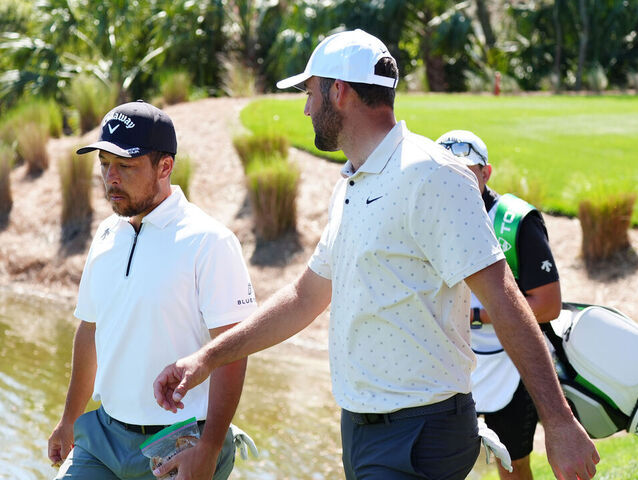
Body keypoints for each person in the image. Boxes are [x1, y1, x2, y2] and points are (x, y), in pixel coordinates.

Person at [152, 29, 599, 480]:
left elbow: (503, 297)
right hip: (364, 428)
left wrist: (559, 422)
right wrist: (207, 358)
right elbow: (304, 297)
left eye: (310, 93)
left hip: (421, 431)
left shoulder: (431, 174)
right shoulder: (350, 184)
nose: (307, 108)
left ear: (339, 92)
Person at [47, 100, 258, 480]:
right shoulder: (107, 233)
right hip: (103, 438)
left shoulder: (209, 242)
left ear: (165, 166)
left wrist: (209, 448)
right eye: (104, 165)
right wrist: (69, 420)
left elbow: (233, 351)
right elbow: (90, 330)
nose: (111, 177)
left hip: (180, 443)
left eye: (125, 166)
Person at [437, 130, 561, 480]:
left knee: (513, 463)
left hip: (512, 364)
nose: (455, 182)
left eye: (466, 171)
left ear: (486, 173)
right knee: (439, 465)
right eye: (445, 172)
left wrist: (475, 315)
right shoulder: (428, 217)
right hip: (450, 363)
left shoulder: (515, 219)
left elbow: (548, 305)